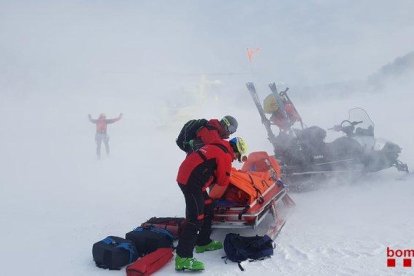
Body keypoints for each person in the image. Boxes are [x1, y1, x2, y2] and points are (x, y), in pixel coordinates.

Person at [175, 137, 248, 271]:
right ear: (236, 150)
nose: (236, 159)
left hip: (191, 178)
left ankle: (203, 242)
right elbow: (222, 181)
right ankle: (182, 258)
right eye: (237, 156)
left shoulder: (217, 145)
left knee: (208, 205)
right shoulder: (225, 155)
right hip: (191, 183)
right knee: (195, 218)